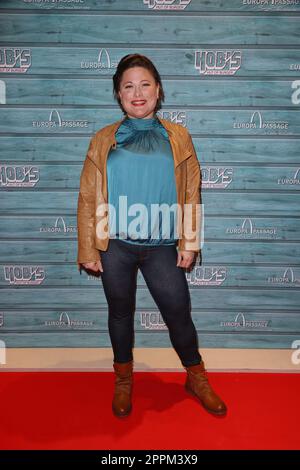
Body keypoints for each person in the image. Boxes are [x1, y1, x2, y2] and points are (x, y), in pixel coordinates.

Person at [77, 54, 227, 418]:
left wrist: (189, 241)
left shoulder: (179, 136)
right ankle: (124, 381)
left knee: (178, 312)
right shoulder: (102, 139)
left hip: (162, 245)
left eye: (144, 84)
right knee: (120, 313)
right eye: (128, 86)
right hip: (114, 244)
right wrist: (88, 247)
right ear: (118, 94)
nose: (137, 92)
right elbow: (87, 194)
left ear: (158, 90)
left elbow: (192, 191)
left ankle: (196, 376)